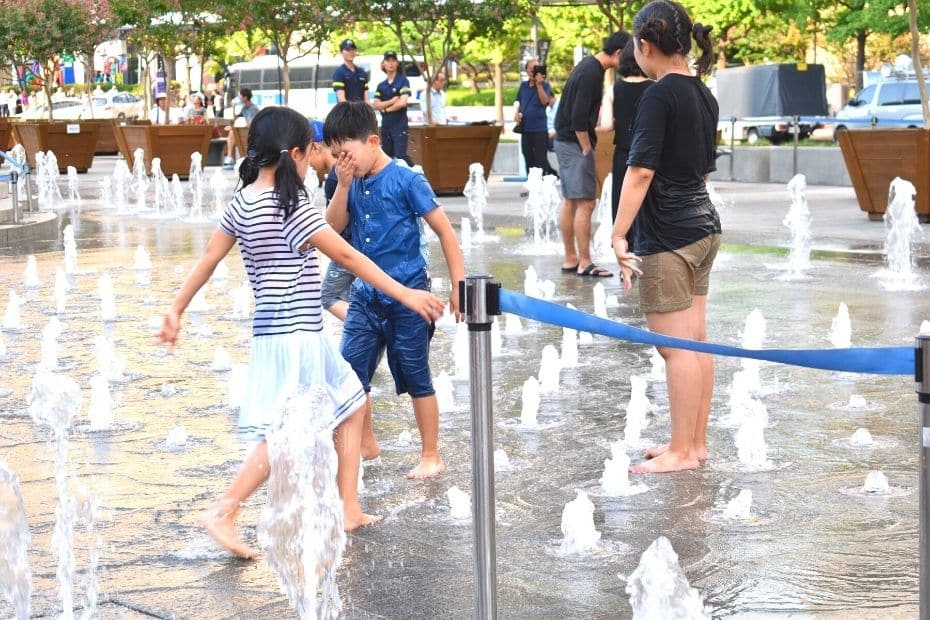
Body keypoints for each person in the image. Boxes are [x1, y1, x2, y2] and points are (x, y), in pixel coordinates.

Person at [157, 106, 446, 557]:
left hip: (274, 336)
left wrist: (176, 307)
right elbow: (350, 259)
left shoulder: (243, 203)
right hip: (299, 337)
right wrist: (407, 295)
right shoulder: (291, 208)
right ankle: (224, 509)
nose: (315, 161)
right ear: (292, 154)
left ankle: (347, 506)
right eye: (310, 153)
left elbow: (209, 260)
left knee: (350, 402)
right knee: (284, 435)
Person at [323, 101, 465, 479]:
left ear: (373, 141)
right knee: (351, 372)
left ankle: (430, 453)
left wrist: (458, 283)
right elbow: (333, 227)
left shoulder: (407, 180)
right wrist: (343, 185)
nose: (342, 162)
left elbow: (444, 231)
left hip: (409, 294)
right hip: (365, 298)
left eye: (347, 154)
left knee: (416, 372)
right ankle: (367, 442)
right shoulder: (346, 182)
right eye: (336, 156)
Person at [611, 0, 720, 474]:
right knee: (697, 342)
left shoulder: (658, 95)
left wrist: (617, 235)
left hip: (669, 236)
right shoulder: (702, 93)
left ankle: (680, 452)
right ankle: (693, 444)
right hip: (703, 229)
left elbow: (639, 173)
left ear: (643, 45)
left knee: (676, 349)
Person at [553, 31, 628, 278]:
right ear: (618, 53)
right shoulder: (591, 73)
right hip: (575, 143)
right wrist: (586, 147)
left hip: (565, 141)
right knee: (586, 202)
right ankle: (585, 261)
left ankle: (570, 257)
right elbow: (578, 118)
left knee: (572, 201)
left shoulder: (587, 66)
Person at [611, 39, 652, 224]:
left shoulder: (615, 88)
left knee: (621, 203)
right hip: (647, 155)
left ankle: (622, 244)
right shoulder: (654, 88)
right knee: (646, 207)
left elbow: (605, 123)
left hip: (622, 155)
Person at [515, 58, 556, 178]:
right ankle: (531, 186)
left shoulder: (545, 85)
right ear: (527, 71)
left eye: (537, 68)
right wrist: (516, 112)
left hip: (539, 129)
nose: (534, 71)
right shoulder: (523, 86)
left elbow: (545, 102)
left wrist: (539, 85)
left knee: (540, 159)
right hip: (526, 128)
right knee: (528, 157)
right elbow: (518, 101)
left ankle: (542, 186)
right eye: (532, 69)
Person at [372, 51, 411, 164]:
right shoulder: (381, 85)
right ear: (383, 63)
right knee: (387, 158)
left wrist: (385, 109)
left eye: (393, 60)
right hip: (386, 126)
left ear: (397, 63)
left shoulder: (403, 81)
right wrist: (392, 101)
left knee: (400, 156)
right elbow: (376, 104)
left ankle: (416, 173)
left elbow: (402, 102)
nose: (390, 63)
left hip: (399, 125)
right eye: (387, 61)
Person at [223, 88, 260, 168]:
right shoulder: (244, 108)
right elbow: (236, 118)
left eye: (240, 96)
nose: (239, 98)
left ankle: (229, 157)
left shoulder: (253, 108)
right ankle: (230, 158)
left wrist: (235, 128)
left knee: (233, 132)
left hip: (253, 132)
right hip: (246, 131)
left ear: (245, 97)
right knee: (232, 132)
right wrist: (233, 108)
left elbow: (251, 123)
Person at [332, 39, 369, 104]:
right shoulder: (339, 73)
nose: (351, 52)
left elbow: (366, 98)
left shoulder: (362, 72)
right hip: (346, 112)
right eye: (348, 50)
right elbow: (342, 100)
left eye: (353, 49)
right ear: (341, 52)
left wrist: (369, 111)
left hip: (361, 112)